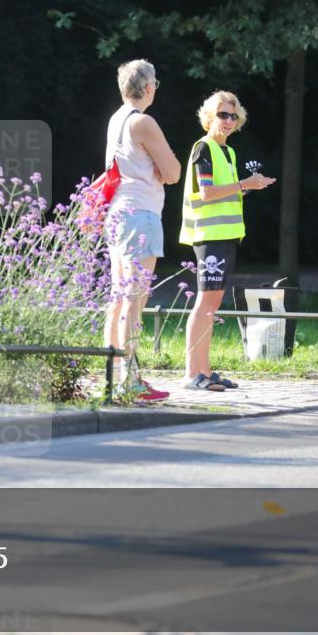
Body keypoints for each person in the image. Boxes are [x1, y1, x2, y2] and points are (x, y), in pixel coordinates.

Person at [179, 91, 276, 392]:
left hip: (226, 237)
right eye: (223, 114)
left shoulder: (228, 152)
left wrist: (250, 187)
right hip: (209, 237)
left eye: (233, 115)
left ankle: (205, 371)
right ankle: (192, 374)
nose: (229, 120)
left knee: (212, 304)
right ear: (209, 116)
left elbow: (226, 191)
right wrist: (245, 184)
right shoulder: (203, 149)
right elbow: (207, 193)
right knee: (205, 304)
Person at [102, 59, 180, 402]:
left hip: (117, 214)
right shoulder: (144, 122)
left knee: (118, 300)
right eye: (155, 84)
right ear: (148, 88)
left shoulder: (116, 119)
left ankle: (112, 375)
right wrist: (163, 169)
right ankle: (129, 380)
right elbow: (174, 171)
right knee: (135, 302)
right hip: (142, 216)